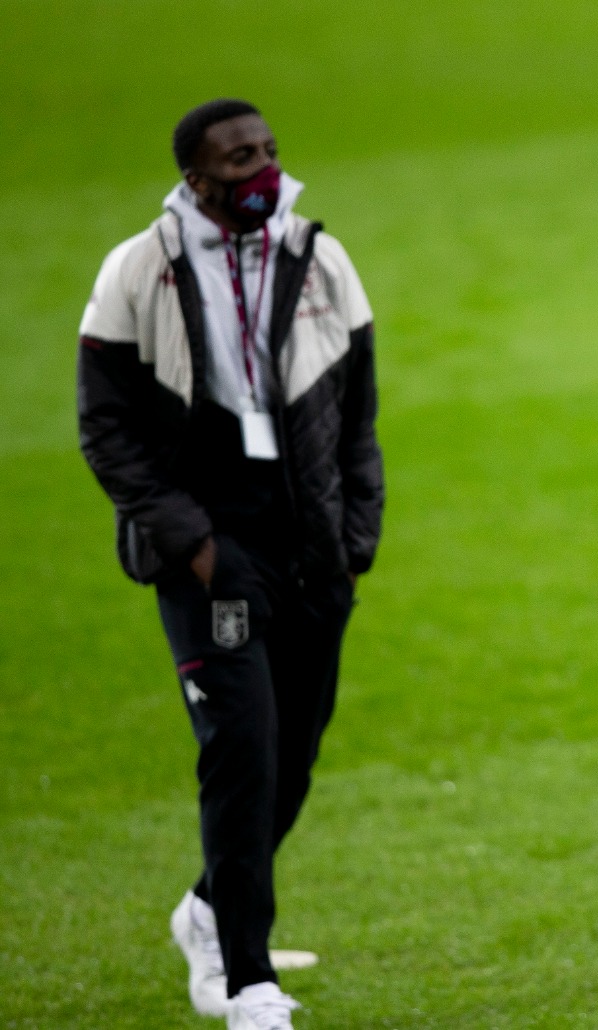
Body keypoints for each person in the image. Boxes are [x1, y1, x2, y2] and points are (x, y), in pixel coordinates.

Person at [77, 98, 383, 1030]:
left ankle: (208, 909)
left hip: (311, 546)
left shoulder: (317, 257)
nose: (261, 169)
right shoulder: (141, 269)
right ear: (196, 177)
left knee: (293, 757)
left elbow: (358, 411)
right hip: (210, 548)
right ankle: (249, 981)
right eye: (238, 158)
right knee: (243, 755)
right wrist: (193, 545)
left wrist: (355, 538)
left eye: (268, 151)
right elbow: (106, 426)